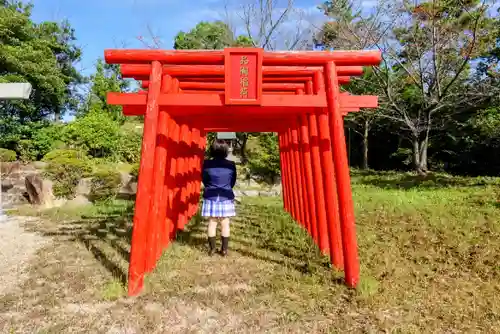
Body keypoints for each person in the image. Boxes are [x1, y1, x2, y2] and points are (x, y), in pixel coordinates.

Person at [201, 139, 237, 256]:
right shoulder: (231, 165)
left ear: (212, 150)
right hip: (225, 195)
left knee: (212, 222)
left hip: (211, 195)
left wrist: (210, 187)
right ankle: (224, 250)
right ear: (225, 151)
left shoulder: (206, 163)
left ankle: (212, 249)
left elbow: (205, 180)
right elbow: (232, 182)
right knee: (225, 223)